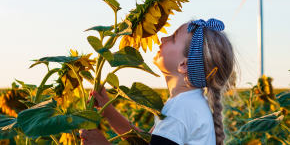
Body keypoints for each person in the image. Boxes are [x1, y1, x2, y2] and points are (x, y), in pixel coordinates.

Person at [79, 18, 236, 145]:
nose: (163, 38)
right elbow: (150, 143)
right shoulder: (189, 103)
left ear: (184, 65)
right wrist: (109, 112)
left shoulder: (179, 111)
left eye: (173, 38)